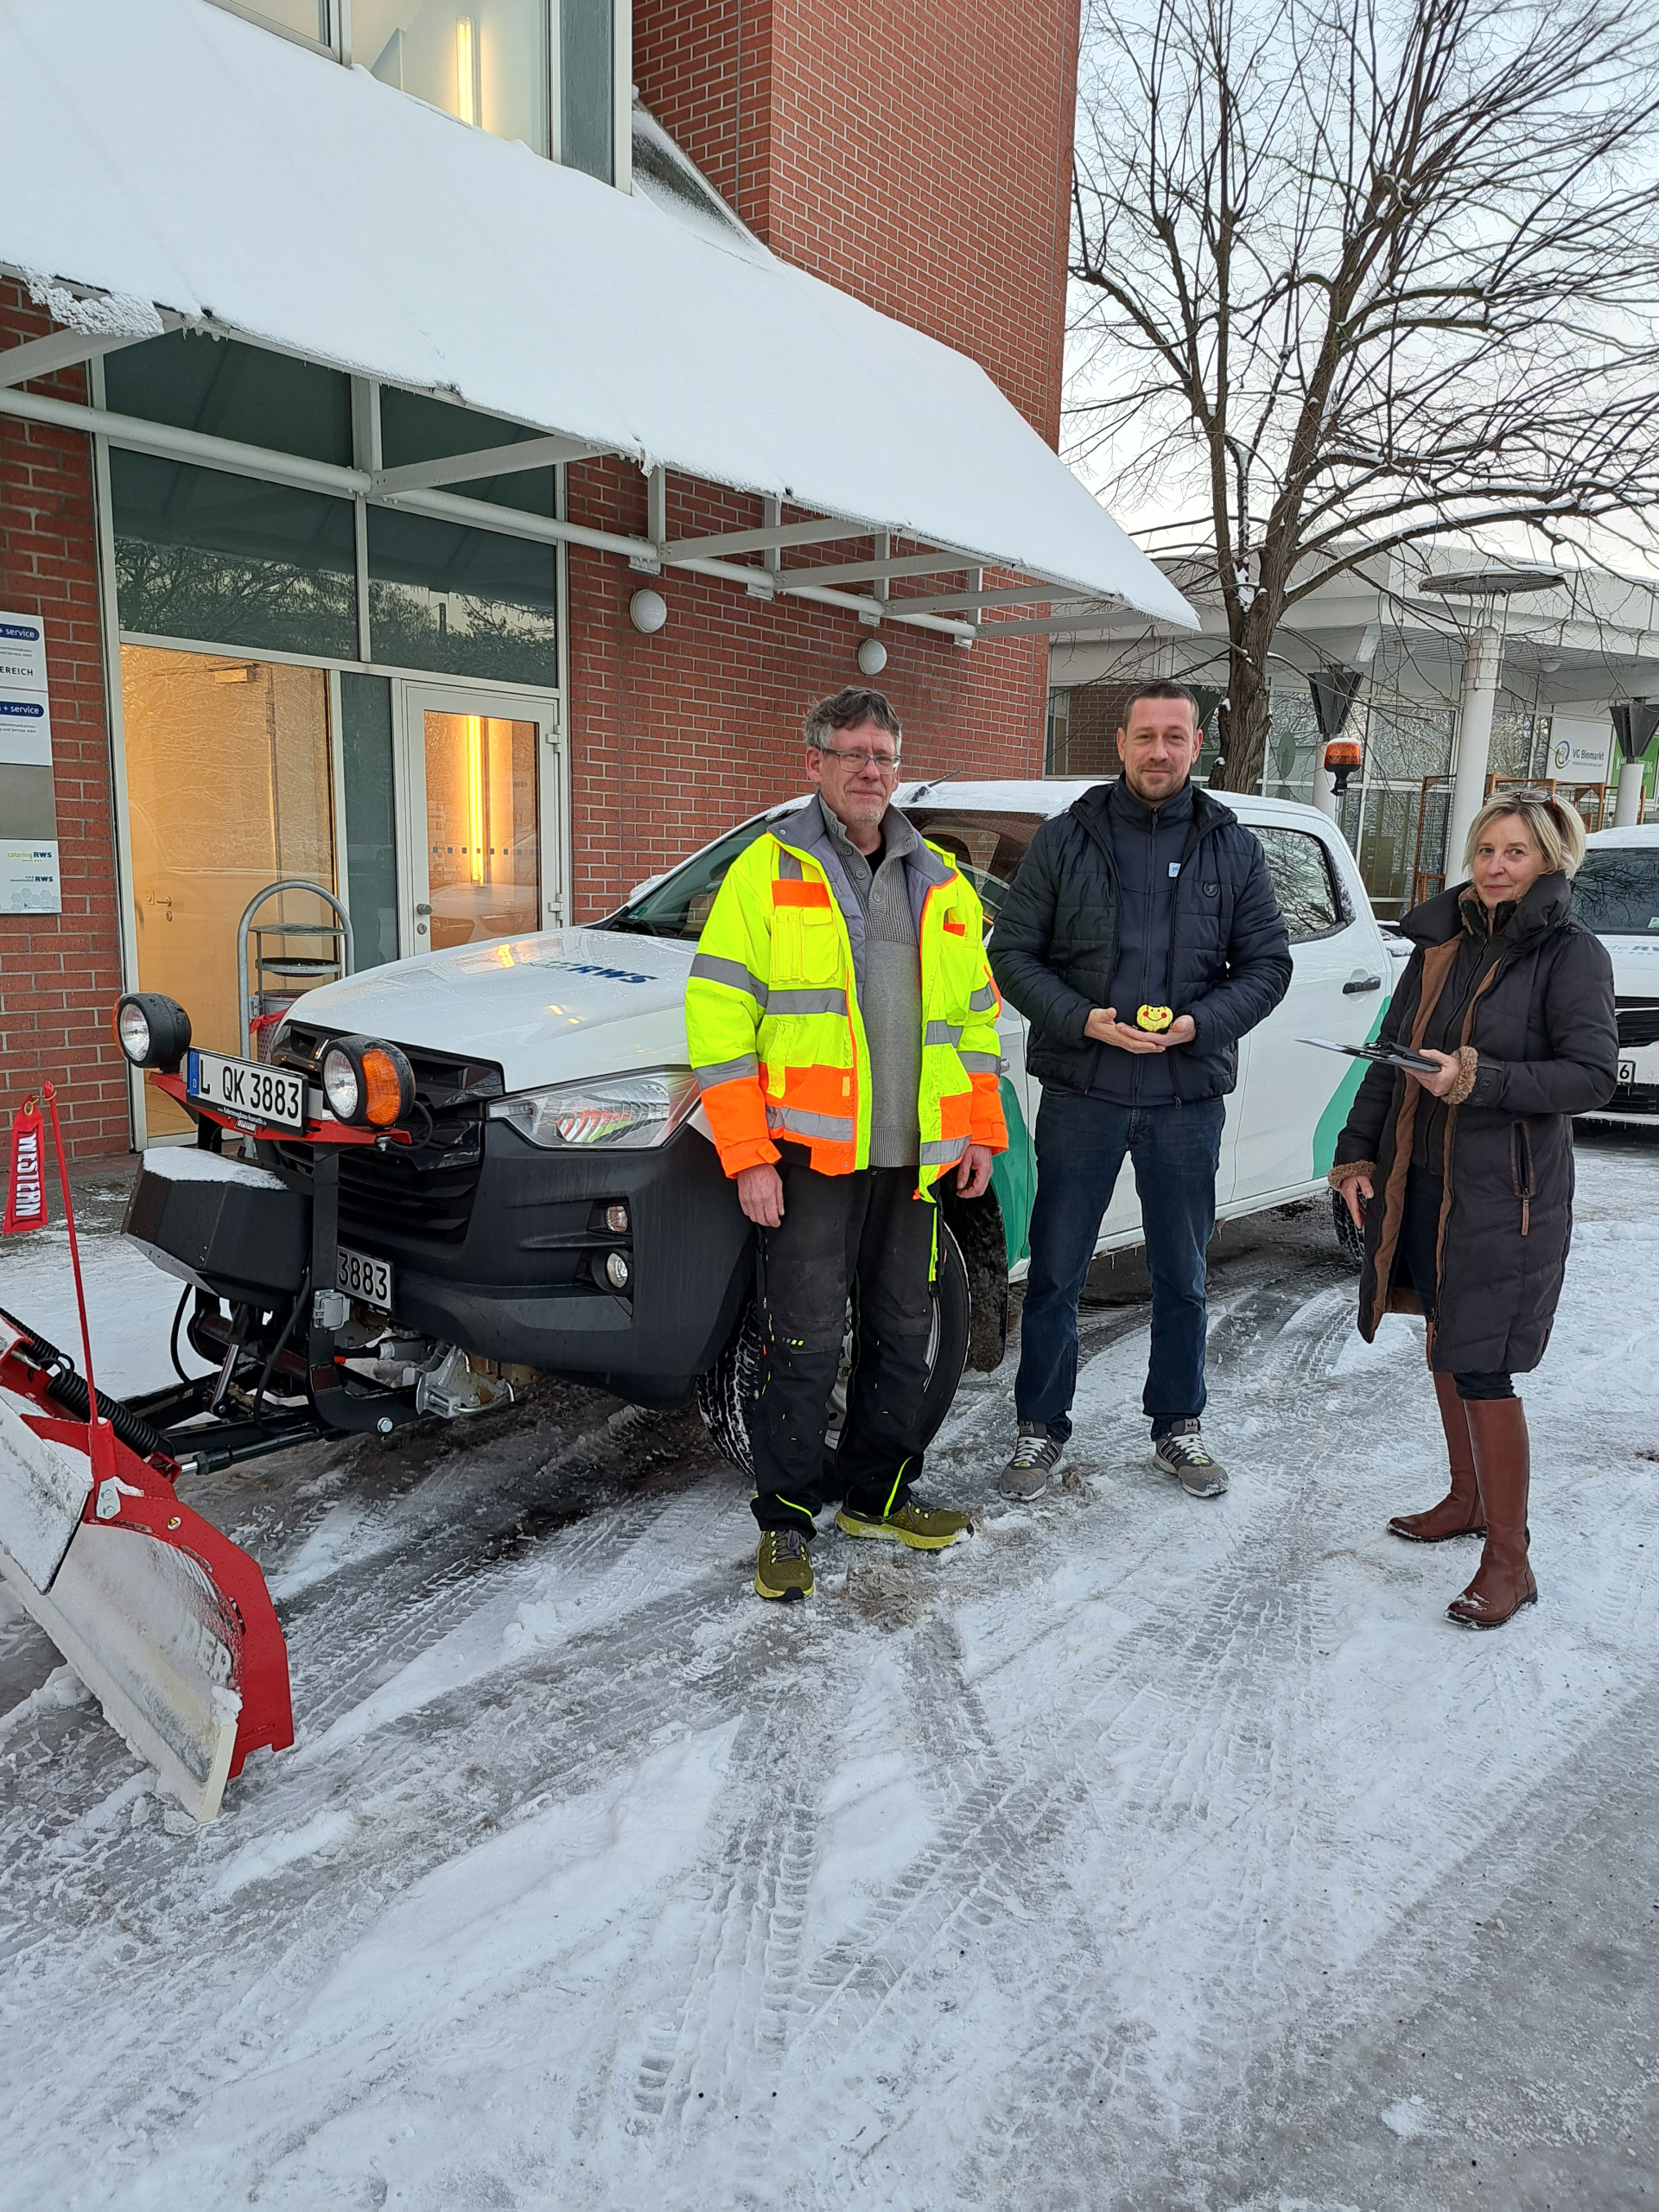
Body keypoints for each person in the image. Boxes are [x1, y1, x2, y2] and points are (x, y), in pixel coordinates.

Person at [685, 687, 1007, 1601]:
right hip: (809, 1161)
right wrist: (748, 1154)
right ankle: (786, 1523)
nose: (871, 770)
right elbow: (718, 1019)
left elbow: (972, 1022)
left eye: (884, 756)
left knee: (904, 1336)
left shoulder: (940, 879)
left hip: (915, 1161)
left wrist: (980, 1131)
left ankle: (879, 1496)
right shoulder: (768, 870)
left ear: (898, 770)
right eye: (853, 754)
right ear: (815, 764)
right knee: (802, 1342)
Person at [988, 681, 1292, 1499]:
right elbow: (1011, 952)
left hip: (1185, 1097)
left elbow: (1267, 966)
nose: (1160, 751)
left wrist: (1198, 1025)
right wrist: (1082, 1019)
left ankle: (1178, 1427)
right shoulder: (1066, 839)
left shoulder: (1232, 847)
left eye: (1175, 736)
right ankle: (1039, 1429)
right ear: (1120, 743)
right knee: (1056, 1271)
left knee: (1182, 1274)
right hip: (1083, 1091)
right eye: (1146, 735)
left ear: (1197, 746)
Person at [1329, 791, 1617, 1629]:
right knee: (1446, 1338)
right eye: (1487, 849)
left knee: (1485, 1362)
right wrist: (1356, 1154)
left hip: (1507, 1196)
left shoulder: (1571, 955)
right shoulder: (1440, 944)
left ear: (1551, 861)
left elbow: (1591, 1075)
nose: (1495, 866)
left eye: (1515, 852)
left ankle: (1510, 1559)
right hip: (1424, 1181)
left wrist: (1476, 1078)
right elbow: (1390, 1057)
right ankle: (1467, 1499)